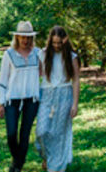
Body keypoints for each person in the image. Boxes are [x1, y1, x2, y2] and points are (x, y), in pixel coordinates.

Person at [0, 21, 41, 172]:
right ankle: (18, 160)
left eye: (28, 37)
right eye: (22, 37)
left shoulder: (38, 53)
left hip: (32, 101)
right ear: (17, 37)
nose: (25, 40)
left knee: (25, 134)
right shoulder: (9, 54)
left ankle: (16, 167)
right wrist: (0, 103)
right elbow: (3, 79)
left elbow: (46, 72)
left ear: (32, 38)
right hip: (12, 100)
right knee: (11, 134)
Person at [35, 26, 80, 172]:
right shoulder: (43, 54)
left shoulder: (72, 57)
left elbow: (76, 80)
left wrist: (75, 104)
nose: (57, 46)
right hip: (46, 94)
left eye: (60, 43)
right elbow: (36, 75)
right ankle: (47, 157)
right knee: (41, 131)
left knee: (59, 133)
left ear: (65, 40)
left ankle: (56, 166)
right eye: (54, 43)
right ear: (50, 41)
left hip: (64, 95)